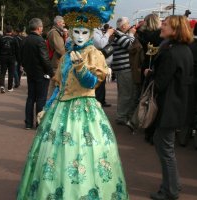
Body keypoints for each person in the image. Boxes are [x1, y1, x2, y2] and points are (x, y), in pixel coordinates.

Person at [17, 1, 129, 199]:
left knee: (83, 153)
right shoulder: (67, 56)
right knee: (55, 155)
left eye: (84, 32)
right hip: (60, 110)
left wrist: (81, 68)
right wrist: (46, 106)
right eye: (76, 32)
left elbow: (91, 83)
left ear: (91, 33)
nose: (79, 36)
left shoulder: (94, 54)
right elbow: (59, 87)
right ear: (70, 30)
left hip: (85, 110)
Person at [146, 15, 194, 200]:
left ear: (175, 30)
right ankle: (173, 184)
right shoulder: (185, 50)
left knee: (165, 150)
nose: (161, 26)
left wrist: (150, 74)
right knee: (167, 149)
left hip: (168, 108)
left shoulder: (172, 52)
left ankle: (170, 191)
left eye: (165, 25)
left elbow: (160, 83)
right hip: (178, 106)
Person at [21, 18, 54, 130]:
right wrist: (51, 72)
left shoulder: (25, 40)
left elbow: (21, 57)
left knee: (30, 98)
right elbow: (45, 59)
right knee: (41, 99)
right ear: (39, 28)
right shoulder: (40, 41)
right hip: (41, 73)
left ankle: (28, 123)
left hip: (30, 72)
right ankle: (39, 123)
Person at [137, 13, 163, 144]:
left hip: (145, 66)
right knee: (153, 99)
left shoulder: (142, 34)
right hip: (153, 68)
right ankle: (150, 129)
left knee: (146, 97)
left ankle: (145, 123)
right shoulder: (158, 35)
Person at [111, 17, 136, 130]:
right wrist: (131, 34)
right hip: (123, 68)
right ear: (123, 26)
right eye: (128, 24)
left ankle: (122, 115)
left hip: (122, 68)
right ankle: (121, 117)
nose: (130, 26)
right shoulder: (119, 35)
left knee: (125, 93)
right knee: (126, 94)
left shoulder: (118, 35)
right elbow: (131, 46)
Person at [93, 24, 114, 107]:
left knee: (102, 83)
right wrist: (108, 33)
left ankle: (101, 100)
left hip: (102, 63)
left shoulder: (97, 30)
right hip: (97, 63)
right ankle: (98, 102)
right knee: (98, 84)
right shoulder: (93, 31)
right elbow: (100, 44)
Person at [0, 25, 20, 93]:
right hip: (12, 57)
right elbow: (17, 50)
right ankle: (9, 87)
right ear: (11, 31)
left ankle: (2, 86)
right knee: (11, 73)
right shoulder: (14, 39)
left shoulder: (1, 38)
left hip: (3, 57)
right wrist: (18, 60)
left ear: (5, 31)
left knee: (2, 72)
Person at [47, 16, 66, 96]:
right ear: (58, 23)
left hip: (56, 62)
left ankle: (50, 105)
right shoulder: (55, 33)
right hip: (56, 63)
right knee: (55, 85)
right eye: (63, 23)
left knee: (54, 85)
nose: (64, 25)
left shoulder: (55, 32)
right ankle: (51, 105)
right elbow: (60, 49)